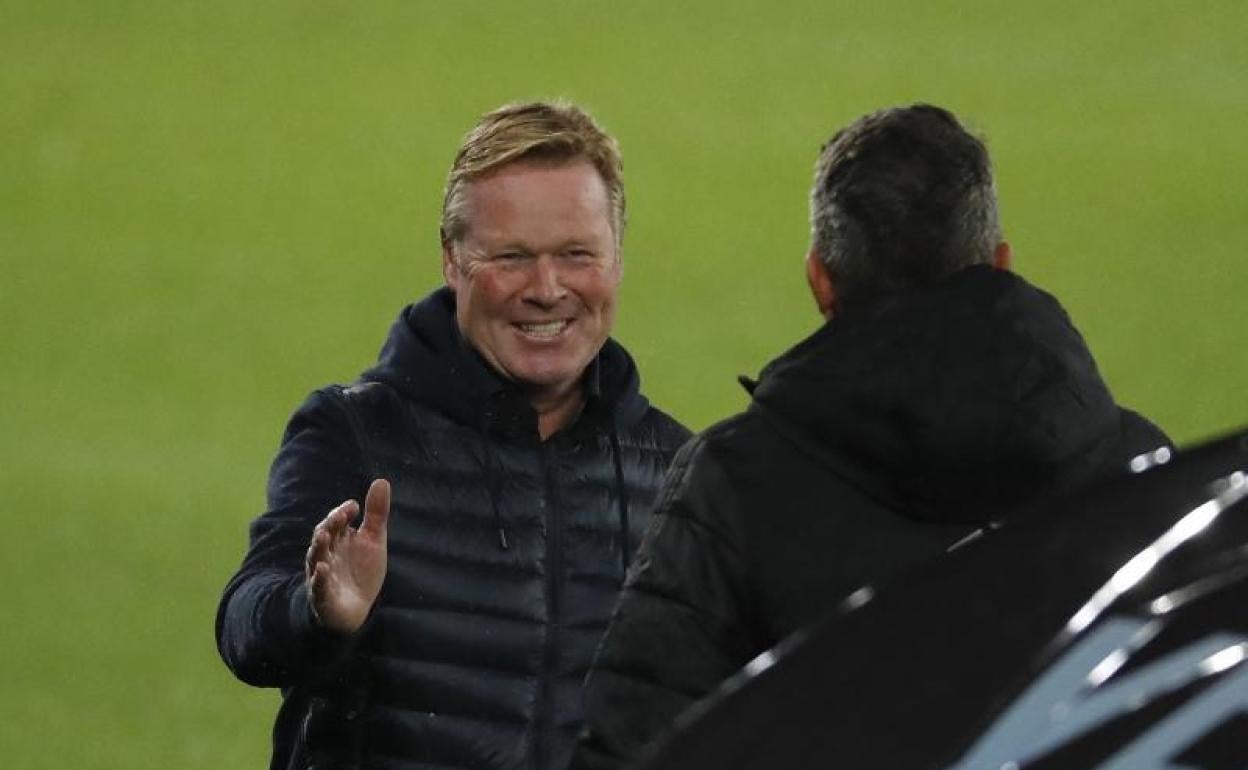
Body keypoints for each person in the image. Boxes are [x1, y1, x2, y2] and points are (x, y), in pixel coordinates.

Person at [570, 104, 1170, 770]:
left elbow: (637, 749)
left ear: (820, 281)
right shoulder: (1141, 470)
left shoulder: (732, 485)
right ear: (1000, 263)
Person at [216, 101, 691, 770]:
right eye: (512, 257)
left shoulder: (675, 471)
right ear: (452, 260)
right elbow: (244, 625)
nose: (547, 288)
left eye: (576, 254)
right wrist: (314, 612)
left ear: (616, 259)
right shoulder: (355, 434)